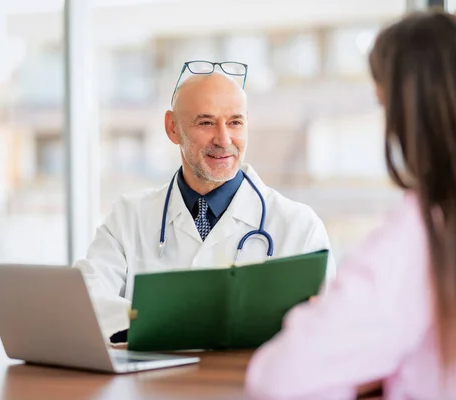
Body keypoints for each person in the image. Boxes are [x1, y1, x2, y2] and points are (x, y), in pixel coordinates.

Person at [245, 10, 456, 400]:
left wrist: (331, 322)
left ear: (413, 118)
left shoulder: (425, 233)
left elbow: (280, 377)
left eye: (386, 108)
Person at [73, 65, 336, 341]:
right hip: (153, 384)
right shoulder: (129, 217)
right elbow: (84, 297)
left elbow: (324, 332)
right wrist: (179, 324)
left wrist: (152, 322)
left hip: (247, 383)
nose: (224, 140)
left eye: (235, 122)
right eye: (206, 122)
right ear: (172, 128)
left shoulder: (299, 227)